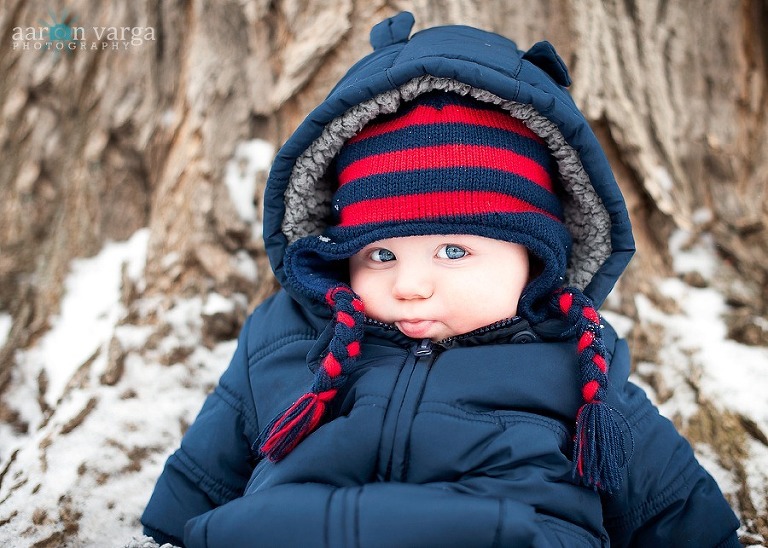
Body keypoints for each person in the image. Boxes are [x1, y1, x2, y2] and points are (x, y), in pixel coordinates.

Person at [141, 12, 740, 547]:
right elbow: (201, 477)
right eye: (380, 255)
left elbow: (676, 509)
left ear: (535, 257)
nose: (410, 285)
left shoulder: (577, 360)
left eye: (453, 250)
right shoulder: (287, 336)